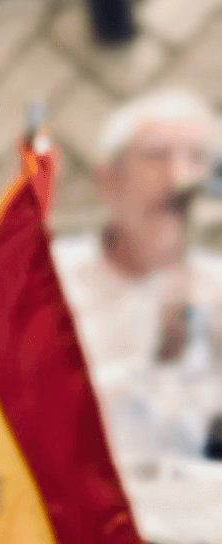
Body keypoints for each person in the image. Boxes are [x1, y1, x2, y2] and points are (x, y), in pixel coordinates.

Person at [50, 88, 222, 465]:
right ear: (108, 179)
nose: (180, 178)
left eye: (197, 158)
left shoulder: (213, 288)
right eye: (157, 156)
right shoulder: (51, 279)